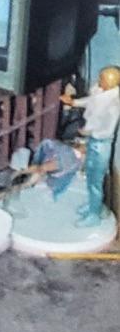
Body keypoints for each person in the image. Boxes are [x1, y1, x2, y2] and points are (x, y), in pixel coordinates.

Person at [60, 66, 120, 228]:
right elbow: (90, 102)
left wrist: (88, 132)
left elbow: (107, 131)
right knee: (90, 178)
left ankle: (94, 214)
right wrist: (73, 102)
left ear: (111, 84)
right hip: (94, 142)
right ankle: (94, 205)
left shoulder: (114, 104)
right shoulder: (100, 94)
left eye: (103, 79)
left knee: (95, 181)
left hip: (101, 145)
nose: (99, 81)